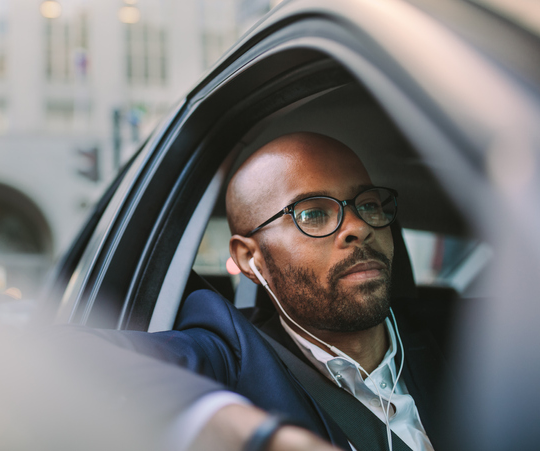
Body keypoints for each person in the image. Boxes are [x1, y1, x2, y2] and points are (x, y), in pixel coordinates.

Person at [69, 132, 448, 451]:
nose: (358, 227)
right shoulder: (230, 356)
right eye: (313, 213)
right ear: (250, 259)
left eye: (367, 206)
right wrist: (257, 435)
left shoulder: (465, 337)